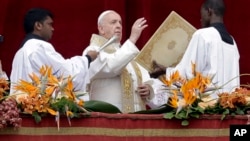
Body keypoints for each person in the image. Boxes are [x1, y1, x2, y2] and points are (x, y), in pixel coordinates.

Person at [151, 0, 240, 100]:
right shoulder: (232, 42)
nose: (200, 19)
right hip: (227, 107)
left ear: (209, 11)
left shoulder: (203, 35)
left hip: (207, 106)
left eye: (201, 14)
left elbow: (188, 73)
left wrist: (166, 71)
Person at [10, 8, 99, 97]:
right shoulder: (39, 47)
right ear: (38, 25)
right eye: (50, 24)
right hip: (40, 107)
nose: (53, 29)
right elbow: (66, 74)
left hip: (23, 107)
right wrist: (87, 58)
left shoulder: (20, 52)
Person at [82, 10, 159, 113]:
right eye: (113, 22)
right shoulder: (93, 51)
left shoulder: (129, 52)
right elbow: (111, 67)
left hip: (136, 118)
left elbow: (147, 78)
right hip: (108, 119)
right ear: (101, 28)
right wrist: (132, 39)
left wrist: (148, 90)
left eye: (120, 23)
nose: (118, 26)